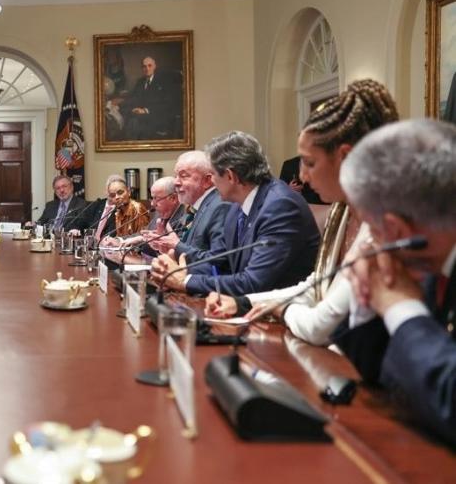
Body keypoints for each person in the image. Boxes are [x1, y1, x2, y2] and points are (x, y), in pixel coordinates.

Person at [205, 79, 399, 346]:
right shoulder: (341, 211)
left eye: (309, 163)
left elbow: (321, 325)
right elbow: (316, 284)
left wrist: (280, 308)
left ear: (344, 156)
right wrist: (243, 302)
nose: (303, 177)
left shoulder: (383, 223)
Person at [335, 119, 456, 446]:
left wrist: (400, 307)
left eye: (371, 229)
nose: (369, 243)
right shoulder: (428, 256)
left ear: (396, 232)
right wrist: (367, 302)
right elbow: (381, 373)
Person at [152, 131, 320, 296]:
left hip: (278, 314)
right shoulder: (236, 205)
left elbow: (254, 283)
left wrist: (184, 281)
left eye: (214, 176)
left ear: (230, 176)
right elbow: (221, 263)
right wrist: (172, 272)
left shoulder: (280, 206)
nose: (212, 182)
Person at [152, 151, 230, 268]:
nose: (176, 182)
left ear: (207, 181)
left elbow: (217, 260)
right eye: (176, 176)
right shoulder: (199, 208)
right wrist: (170, 248)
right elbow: (194, 251)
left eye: (183, 176)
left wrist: (177, 245)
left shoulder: (220, 207)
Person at [117, 56, 181, 140]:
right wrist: (120, 104)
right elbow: (134, 98)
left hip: (157, 116)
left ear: (155, 66)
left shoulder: (163, 82)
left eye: (149, 65)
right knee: (126, 116)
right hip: (141, 115)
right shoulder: (140, 82)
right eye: (144, 66)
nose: (147, 69)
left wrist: (145, 110)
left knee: (134, 122)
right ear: (142, 68)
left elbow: (166, 104)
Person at [120, 177, 185, 255]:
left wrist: (144, 240)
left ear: (173, 198)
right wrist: (119, 241)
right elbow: (144, 235)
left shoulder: (185, 218)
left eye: (156, 198)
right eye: (152, 198)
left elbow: (179, 252)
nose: (152, 204)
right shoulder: (159, 213)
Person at [87, 176, 148, 241]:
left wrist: (118, 241)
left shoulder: (137, 208)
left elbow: (143, 236)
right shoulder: (118, 211)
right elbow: (119, 236)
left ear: (129, 192)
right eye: (112, 195)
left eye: (120, 192)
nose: (117, 197)